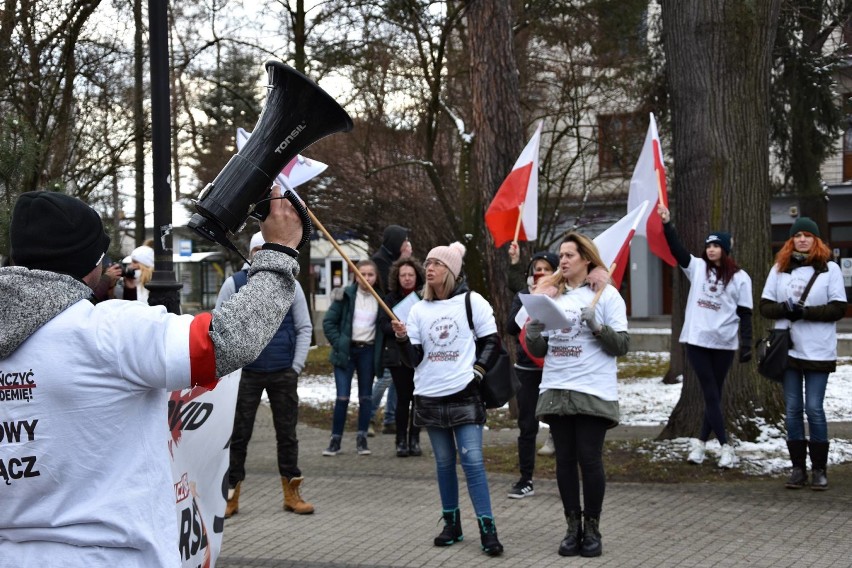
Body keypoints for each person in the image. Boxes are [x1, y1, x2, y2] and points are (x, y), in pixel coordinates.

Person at [0, 188, 304, 567]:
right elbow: (228, 341)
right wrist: (281, 251)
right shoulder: (107, 331)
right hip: (110, 556)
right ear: (90, 264)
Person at [392, 242, 504, 557]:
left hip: (464, 394)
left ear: (451, 271)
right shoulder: (417, 309)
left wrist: (478, 372)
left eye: (438, 263)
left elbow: (491, 342)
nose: (429, 268)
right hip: (428, 396)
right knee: (443, 463)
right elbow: (413, 359)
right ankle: (451, 523)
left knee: (472, 462)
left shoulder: (472, 302)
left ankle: (487, 527)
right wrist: (402, 339)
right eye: (427, 262)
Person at [523, 232, 629, 558]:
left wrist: (598, 327)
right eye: (561, 255)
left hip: (593, 390)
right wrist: (533, 332)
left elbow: (621, 346)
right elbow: (539, 348)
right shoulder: (549, 297)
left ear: (586, 259)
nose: (563, 260)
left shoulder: (607, 297)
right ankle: (572, 528)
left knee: (590, 459)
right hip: (557, 388)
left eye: (570, 255)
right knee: (565, 461)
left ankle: (593, 529)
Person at [217, 232, 314, 518]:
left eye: (266, 249)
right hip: (245, 373)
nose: (261, 254)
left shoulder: (291, 285)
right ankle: (230, 495)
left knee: (288, 435)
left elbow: (304, 328)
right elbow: (218, 326)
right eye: (257, 249)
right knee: (238, 436)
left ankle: (292, 493)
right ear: (251, 253)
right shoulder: (233, 284)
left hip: (283, 371)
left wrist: (296, 367)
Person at [658, 204, 753, 469]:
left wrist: (746, 344)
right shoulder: (697, 267)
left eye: (716, 245)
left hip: (723, 343)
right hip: (697, 341)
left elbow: (746, 313)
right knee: (710, 394)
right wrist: (667, 223)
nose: (711, 249)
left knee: (714, 395)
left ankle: (700, 444)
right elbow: (677, 250)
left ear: (725, 249)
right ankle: (726, 447)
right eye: (708, 245)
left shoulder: (740, 278)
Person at [759, 217, 846, 490]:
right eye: (798, 235)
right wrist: (786, 309)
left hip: (819, 350)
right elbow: (764, 305)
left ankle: (819, 469)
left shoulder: (829, 269)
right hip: (789, 350)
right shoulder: (780, 269)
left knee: (814, 409)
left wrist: (806, 313)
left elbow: (838, 308)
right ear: (791, 240)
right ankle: (798, 468)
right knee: (793, 410)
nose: (803, 240)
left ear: (816, 240)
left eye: (808, 235)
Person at [505, 250, 559, 497]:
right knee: (527, 426)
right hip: (527, 369)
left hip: (556, 369)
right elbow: (510, 327)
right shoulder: (523, 297)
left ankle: (565, 478)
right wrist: (531, 303)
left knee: (561, 425)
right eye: (536, 269)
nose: (540, 273)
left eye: (546, 269)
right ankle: (525, 479)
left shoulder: (564, 297)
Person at [322, 259, 383, 456]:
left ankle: (362, 438)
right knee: (342, 397)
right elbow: (328, 322)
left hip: (368, 351)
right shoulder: (346, 296)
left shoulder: (380, 299)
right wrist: (339, 343)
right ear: (356, 276)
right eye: (362, 274)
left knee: (366, 397)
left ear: (376, 277)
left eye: (370, 275)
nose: (366, 278)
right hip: (346, 351)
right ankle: (335, 440)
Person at [378, 256, 426, 457]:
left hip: (419, 355)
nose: (407, 278)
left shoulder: (425, 297)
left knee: (418, 399)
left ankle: (414, 439)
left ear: (417, 277)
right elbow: (382, 325)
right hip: (398, 356)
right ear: (397, 277)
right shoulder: (389, 299)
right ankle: (400, 440)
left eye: (410, 275)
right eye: (403, 275)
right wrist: (396, 328)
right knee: (403, 398)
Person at [369, 225, 410, 435]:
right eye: (404, 240)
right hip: (385, 323)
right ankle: (368, 415)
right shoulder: (380, 262)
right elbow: (390, 287)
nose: (406, 244)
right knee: (386, 377)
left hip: (398, 322)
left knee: (397, 377)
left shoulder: (390, 259)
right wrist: (403, 260)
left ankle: (390, 418)